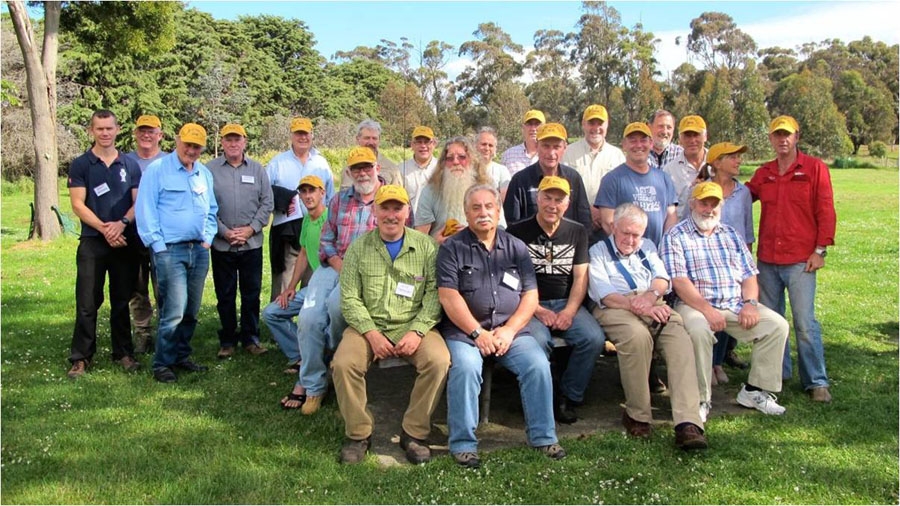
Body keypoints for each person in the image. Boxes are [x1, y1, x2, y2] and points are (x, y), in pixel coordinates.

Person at [437, 184, 565, 469]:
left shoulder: (516, 247)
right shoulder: (452, 249)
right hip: (465, 333)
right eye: (476, 208)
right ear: (467, 213)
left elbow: (530, 295)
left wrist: (509, 330)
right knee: (467, 368)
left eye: (489, 207)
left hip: (511, 331)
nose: (483, 213)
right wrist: (477, 333)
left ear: (498, 210)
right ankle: (463, 444)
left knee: (537, 364)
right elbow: (448, 297)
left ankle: (543, 437)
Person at [332, 185, 450, 465]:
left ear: (407, 212)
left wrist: (418, 331)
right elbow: (348, 298)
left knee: (438, 360)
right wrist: (371, 334)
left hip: (413, 325)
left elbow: (435, 295)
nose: (391, 215)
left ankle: (414, 432)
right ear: (375, 211)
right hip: (367, 327)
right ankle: (359, 434)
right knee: (343, 364)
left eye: (398, 208)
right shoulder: (358, 248)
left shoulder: (427, 247)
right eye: (385, 207)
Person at [660, 182, 790, 419]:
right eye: (704, 203)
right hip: (693, 305)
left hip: (734, 304)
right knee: (699, 331)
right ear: (692, 205)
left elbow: (749, 275)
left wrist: (750, 303)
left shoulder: (730, 234)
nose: (709, 209)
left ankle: (754, 391)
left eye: (714, 204)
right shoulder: (676, 235)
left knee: (777, 326)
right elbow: (679, 282)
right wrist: (707, 310)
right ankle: (701, 399)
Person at [297, 147, 411, 415]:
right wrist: (339, 265)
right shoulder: (339, 200)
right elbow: (326, 241)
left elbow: (404, 242)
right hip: (334, 267)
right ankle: (314, 385)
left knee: (338, 308)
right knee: (309, 318)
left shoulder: (391, 200)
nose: (362, 173)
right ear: (348, 172)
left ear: (377, 168)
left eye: (367, 167)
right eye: (356, 168)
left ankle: (337, 361)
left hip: (370, 274)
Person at [587, 203, 707, 450]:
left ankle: (688, 422)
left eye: (636, 235)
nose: (631, 240)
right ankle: (637, 415)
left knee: (680, 339)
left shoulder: (649, 247)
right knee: (637, 337)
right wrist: (642, 305)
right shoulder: (598, 251)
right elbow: (605, 295)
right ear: (613, 228)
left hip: (652, 301)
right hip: (616, 306)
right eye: (626, 233)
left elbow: (663, 279)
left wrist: (651, 298)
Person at [746, 115, 836, 403]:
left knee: (804, 322)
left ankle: (816, 381)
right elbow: (743, 196)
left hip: (800, 259)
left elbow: (826, 209)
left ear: (797, 136)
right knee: (772, 321)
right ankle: (777, 374)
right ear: (771, 139)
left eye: (788, 134)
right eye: (777, 135)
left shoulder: (814, 169)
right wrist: (717, 183)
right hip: (768, 260)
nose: (782, 139)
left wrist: (820, 250)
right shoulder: (765, 172)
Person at [506, 176, 604, 424]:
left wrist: (569, 311)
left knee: (593, 339)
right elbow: (510, 280)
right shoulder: (517, 232)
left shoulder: (577, 231)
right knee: (537, 342)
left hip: (565, 302)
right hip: (529, 305)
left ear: (567, 203)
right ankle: (540, 396)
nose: (552, 204)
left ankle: (568, 395)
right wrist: (538, 310)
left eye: (558, 200)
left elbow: (581, 276)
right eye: (547, 198)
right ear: (537, 199)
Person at [136, 123, 218, 383]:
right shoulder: (157, 170)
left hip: (199, 250)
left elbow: (212, 210)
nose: (191, 150)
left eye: (196, 147)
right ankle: (163, 363)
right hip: (170, 250)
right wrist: (157, 245)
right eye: (187, 145)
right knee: (173, 310)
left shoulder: (203, 173)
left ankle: (181, 355)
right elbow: (146, 209)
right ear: (177, 141)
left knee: (192, 310)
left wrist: (208, 238)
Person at [66, 109, 143, 379]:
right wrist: (103, 228)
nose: (105, 133)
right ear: (91, 131)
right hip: (92, 243)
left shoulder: (129, 164)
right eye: (99, 129)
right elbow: (77, 204)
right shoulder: (81, 164)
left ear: (117, 129)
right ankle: (81, 357)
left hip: (124, 241)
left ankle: (123, 352)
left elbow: (137, 202)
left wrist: (121, 223)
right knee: (87, 302)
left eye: (109, 128)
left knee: (122, 300)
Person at [262, 174, 329, 408]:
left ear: (322, 193)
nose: (308, 196)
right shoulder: (307, 221)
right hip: (311, 289)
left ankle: (309, 379)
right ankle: (301, 356)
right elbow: (302, 253)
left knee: (308, 323)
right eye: (303, 192)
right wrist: (290, 288)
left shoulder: (330, 219)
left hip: (328, 288)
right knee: (271, 313)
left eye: (312, 191)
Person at [208, 123, 273, 359]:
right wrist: (223, 231)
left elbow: (267, 203)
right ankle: (227, 340)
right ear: (222, 142)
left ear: (245, 141)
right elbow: (205, 206)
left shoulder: (257, 169)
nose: (233, 144)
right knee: (225, 294)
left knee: (251, 293)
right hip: (222, 244)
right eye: (228, 140)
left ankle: (251, 338)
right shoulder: (210, 169)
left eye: (237, 139)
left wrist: (250, 229)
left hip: (251, 244)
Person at [265, 117, 334, 301]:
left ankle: (308, 326)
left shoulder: (322, 163)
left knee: (313, 284)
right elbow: (263, 196)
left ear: (312, 135)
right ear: (292, 135)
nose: (302, 137)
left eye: (306, 133)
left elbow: (331, 198)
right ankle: (278, 323)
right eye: (298, 133)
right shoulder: (277, 163)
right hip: (286, 231)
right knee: (283, 283)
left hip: (316, 229)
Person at [705, 142, 754, 383]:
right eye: (732, 157)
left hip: (734, 262)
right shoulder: (702, 191)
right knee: (712, 311)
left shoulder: (743, 193)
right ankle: (708, 362)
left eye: (738, 157)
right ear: (716, 162)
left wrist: (748, 264)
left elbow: (747, 230)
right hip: (706, 261)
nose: (738, 161)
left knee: (728, 311)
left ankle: (718, 362)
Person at [596, 122, 678, 247]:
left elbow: (671, 217)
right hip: (624, 254)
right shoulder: (611, 180)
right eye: (633, 141)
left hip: (658, 253)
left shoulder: (664, 178)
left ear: (651, 144)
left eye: (643, 140)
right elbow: (608, 222)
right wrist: (629, 247)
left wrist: (665, 246)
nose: (638, 145)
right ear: (624, 145)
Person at [125, 114, 168, 354]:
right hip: (134, 234)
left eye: (151, 131)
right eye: (142, 130)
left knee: (164, 286)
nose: (146, 135)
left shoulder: (169, 162)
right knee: (137, 288)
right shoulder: (125, 161)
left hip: (163, 235)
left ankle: (165, 334)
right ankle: (142, 333)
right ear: (135, 133)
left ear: (160, 135)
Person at [504, 123, 592, 233]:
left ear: (565, 148)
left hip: (567, 245)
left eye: (556, 147)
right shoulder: (520, 181)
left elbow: (584, 220)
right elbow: (513, 224)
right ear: (536, 146)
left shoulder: (574, 179)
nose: (551, 153)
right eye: (546, 146)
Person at [415, 136, 501, 243]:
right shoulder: (430, 191)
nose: (456, 162)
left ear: (472, 160)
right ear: (443, 163)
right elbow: (419, 236)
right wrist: (435, 242)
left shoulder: (487, 188)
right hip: (441, 252)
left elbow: (500, 228)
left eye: (462, 157)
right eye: (450, 158)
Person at [561, 104, 625, 236]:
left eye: (600, 123)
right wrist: (587, 210)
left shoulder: (617, 155)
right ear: (583, 124)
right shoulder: (568, 152)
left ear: (607, 125)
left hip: (607, 225)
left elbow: (622, 191)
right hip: (575, 222)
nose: (596, 128)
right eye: (591, 123)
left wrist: (602, 212)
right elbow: (563, 186)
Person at [662, 115, 708, 214]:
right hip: (682, 227)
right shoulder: (669, 170)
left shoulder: (717, 163)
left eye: (696, 135)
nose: (692, 140)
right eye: (687, 136)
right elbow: (667, 208)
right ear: (680, 139)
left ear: (705, 137)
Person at [339, 119, 403, 188]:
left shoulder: (391, 168)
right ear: (358, 139)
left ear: (379, 140)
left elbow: (398, 195)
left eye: (374, 138)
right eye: (367, 138)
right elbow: (344, 195)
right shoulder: (350, 168)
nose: (371, 142)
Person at [399, 125, 438, 212]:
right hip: (410, 222)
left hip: (437, 223)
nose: (423, 146)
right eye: (419, 142)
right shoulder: (401, 169)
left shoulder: (442, 167)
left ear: (434, 144)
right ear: (412, 145)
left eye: (427, 142)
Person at [500, 109, 544, 175]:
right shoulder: (508, 155)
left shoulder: (550, 156)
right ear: (523, 128)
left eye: (537, 124)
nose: (533, 128)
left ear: (544, 127)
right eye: (529, 124)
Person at [475, 126, 512, 204]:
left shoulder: (502, 170)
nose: (487, 148)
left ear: (495, 149)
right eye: (483, 144)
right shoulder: (467, 168)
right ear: (475, 146)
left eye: (490, 145)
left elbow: (506, 198)